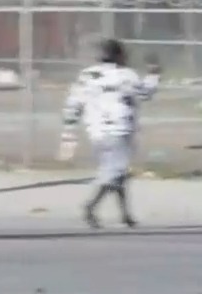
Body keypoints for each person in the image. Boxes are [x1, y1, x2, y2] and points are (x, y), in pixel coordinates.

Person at [60, 39, 161, 228]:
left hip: (96, 132)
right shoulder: (126, 75)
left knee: (116, 172)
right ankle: (91, 206)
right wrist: (154, 74)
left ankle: (125, 214)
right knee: (115, 171)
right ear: (119, 55)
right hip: (119, 130)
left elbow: (73, 104)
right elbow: (145, 93)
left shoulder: (87, 75)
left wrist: (69, 131)